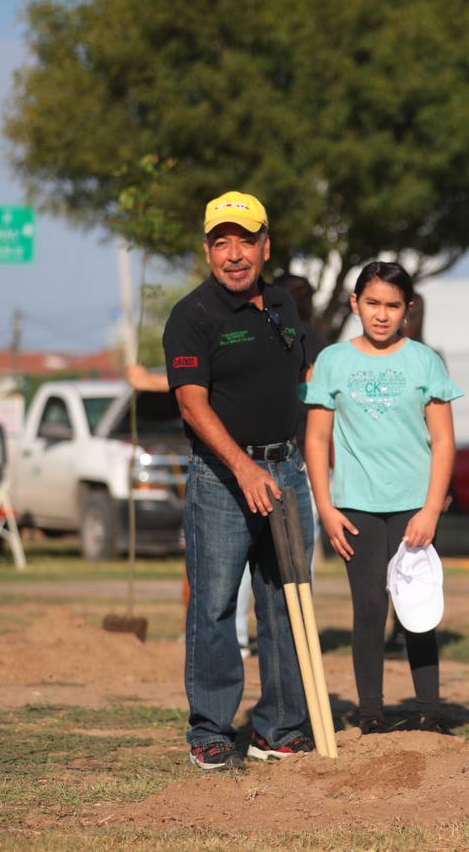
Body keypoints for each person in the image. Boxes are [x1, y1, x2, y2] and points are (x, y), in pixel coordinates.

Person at [162, 190, 316, 770]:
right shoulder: (191, 316)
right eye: (221, 242)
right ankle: (210, 730)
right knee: (215, 604)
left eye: (244, 241)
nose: (234, 254)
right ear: (207, 250)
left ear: (265, 246)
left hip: (287, 470)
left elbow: (301, 376)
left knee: (285, 602)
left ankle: (279, 728)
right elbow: (193, 406)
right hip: (223, 479)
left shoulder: (283, 304)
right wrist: (245, 467)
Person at [304, 261, 461, 735]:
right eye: (372, 303)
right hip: (354, 507)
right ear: (355, 304)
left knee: (417, 608)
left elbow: (444, 442)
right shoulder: (332, 361)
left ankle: (429, 712)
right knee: (369, 609)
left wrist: (431, 508)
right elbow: (315, 440)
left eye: (393, 306)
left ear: (408, 310)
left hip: (415, 508)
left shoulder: (425, 361)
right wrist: (326, 509)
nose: (381, 314)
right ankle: (371, 713)